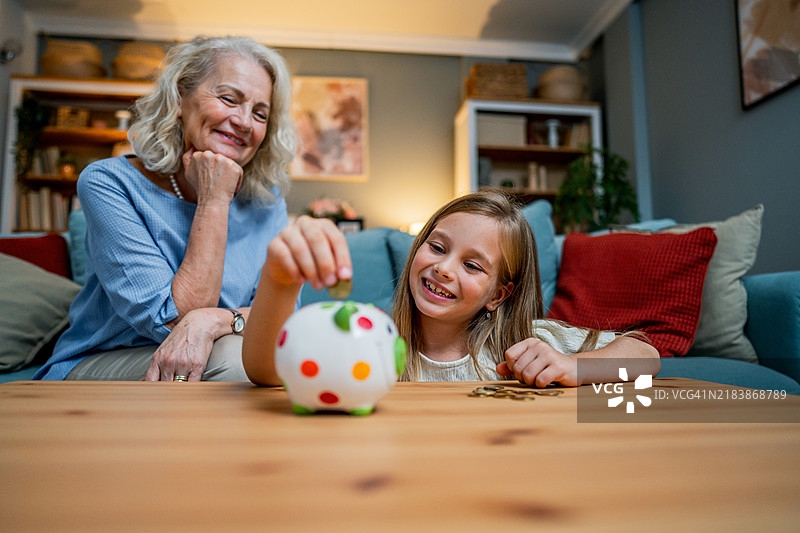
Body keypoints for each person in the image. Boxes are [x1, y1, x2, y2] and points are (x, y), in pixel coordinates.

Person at [35, 36, 297, 382]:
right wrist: (215, 198)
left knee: (282, 359)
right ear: (179, 99)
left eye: (260, 113)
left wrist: (213, 320)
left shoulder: (267, 201)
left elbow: (281, 317)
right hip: (103, 360)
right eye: (229, 99)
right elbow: (174, 318)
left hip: (213, 348)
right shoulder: (108, 182)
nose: (245, 122)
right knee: (239, 365)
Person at [242, 189, 659, 387]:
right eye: (437, 247)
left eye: (472, 265)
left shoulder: (530, 344)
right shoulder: (371, 340)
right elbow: (266, 372)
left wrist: (575, 367)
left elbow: (646, 355)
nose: (443, 268)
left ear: (499, 295)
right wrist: (278, 279)